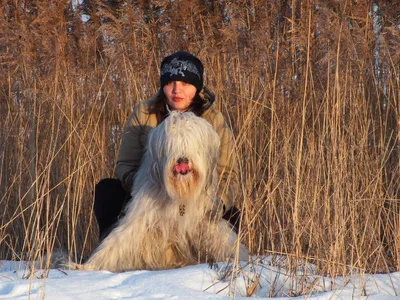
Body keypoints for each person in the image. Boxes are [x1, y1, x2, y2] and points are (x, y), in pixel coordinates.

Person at [94, 51, 240, 240]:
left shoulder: (214, 119)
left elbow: (229, 174)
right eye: (170, 83)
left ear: (196, 87)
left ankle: (214, 265)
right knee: (107, 190)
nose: (176, 90)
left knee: (231, 215)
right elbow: (124, 165)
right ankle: (110, 255)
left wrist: (217, 204)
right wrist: (148, 190)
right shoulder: (145, 113)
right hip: (151, 198)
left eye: (185, 84)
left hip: (200, 199)